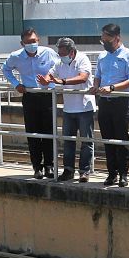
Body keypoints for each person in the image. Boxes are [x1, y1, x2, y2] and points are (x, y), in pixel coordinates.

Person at [2, 28, 60, 178]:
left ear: (38, 40)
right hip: (30, 96)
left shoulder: (48, 52)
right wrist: (16, 84)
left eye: (34, 41)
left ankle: (49, 166)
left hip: (47, 95)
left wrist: (50, 78)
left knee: (49, 132)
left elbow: (58, 66)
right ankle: (37, 167)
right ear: (22, 43)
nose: (31, 44)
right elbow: (6, 69)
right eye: (28, 42)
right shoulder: (16, 56)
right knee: (33, 133)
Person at [40, 38, 95, 182]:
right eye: (59, 53)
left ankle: (84, 171)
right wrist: (46, 80)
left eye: (63, 53)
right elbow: (51, 74)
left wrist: (63, 81)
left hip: (84, 107)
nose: (61, 56)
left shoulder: (83, 59)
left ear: (72, 52)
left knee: (86, 141)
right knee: (68, 141)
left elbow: (83, 77)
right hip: (68, 109)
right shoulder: (59, 63)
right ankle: (68, 170)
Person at [91, 23, 129, 187]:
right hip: (104, 102)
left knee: (121, 138)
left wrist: (112, 88)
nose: (104, 42)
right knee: (108, 139)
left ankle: (123, 174)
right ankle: (111, 173)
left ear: (116, 38)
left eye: (107, 39)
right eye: (102, 39)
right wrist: (96, 86)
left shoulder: (128, 55)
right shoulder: (102, 56)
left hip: (120, 101)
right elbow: (97, 75)